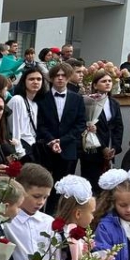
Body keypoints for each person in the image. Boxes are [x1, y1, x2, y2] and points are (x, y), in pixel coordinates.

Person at [36, 62, 87, 193]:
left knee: (63, 189)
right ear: (51, 78)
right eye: (57, 75)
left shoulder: (77, 99)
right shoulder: (41, 98)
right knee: (42, 187)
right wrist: (52, 141)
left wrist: (62, 141)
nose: (60, 78)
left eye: (64, 75)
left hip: (68, 148)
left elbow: (80, 124)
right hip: (46, 148)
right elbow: (40, 124)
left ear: (69, 77)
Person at [82, 70, 124, 191]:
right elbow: (90, 127)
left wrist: (114, 147)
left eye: (110, 81)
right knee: (93, 183)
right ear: (95, 85)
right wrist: (103, 147)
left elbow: (118, 126)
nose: (107, 83)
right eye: (104, 81)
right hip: (93, 148)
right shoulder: (89, 102)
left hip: (110, 146)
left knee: (107, 186)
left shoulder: (114, 102)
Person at [8, 66, 44, 160]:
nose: (35, 82)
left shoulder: (37, 103)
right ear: (24, 81)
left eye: (39, 79)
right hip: (22, 151)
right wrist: (20, 153)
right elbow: (14, 130)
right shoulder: (17, 100)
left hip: (33, 147)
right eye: (31, 79)